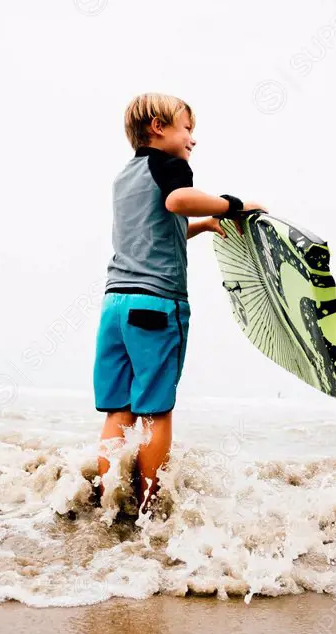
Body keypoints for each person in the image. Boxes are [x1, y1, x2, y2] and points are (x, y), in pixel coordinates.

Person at [93, 93, 265, 514]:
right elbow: (177, 201)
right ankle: (151, 511)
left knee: (120, 410)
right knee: (156, 412)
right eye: (187, 128)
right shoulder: (169, 166)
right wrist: (235, 205)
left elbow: (156, 229)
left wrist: (203, 225)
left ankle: (109, 500)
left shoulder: (124, 176)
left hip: (115, 305)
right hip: (156, 305)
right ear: (158, 127)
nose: (193, 139)